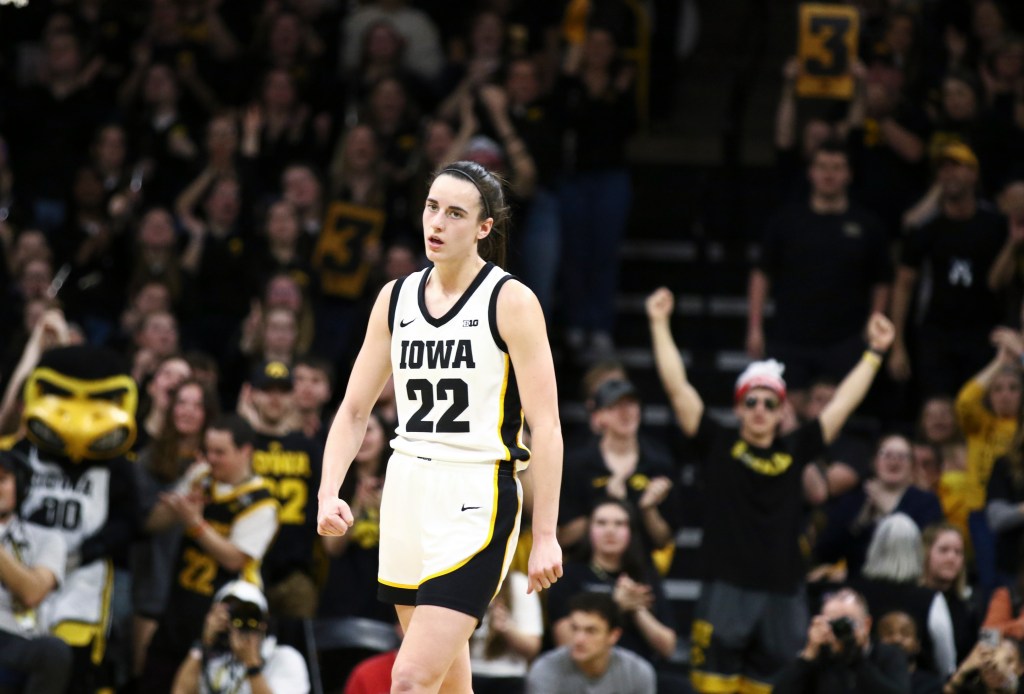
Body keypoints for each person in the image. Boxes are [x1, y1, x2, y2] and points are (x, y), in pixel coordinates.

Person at [317, 160, 563, 694]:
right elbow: (355, 409)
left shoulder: (511, 301)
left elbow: (546, 426)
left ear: (483, 228)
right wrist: (328, 490)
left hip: (476, 493)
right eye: (432, 207)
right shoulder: (395, 298)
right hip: (405, 491)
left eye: (455, 213)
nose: (437, 222)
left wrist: (544, 534)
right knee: (449, 686)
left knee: (408, 679)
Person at [646, 286, 897, 693]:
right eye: (751, 402)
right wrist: (659, 323)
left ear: (783, 411)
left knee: (774, 687)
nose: (760, 410)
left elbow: (842, 405)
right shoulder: (719, 442)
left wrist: (875, 352)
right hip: (725, 583)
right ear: (738, 408)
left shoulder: (797, 447)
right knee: (713, 686)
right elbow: (678, 390)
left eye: (769, 403)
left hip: (783, 590)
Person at [746, 140, 892, 411]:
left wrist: (874, 322)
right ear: (810, 172)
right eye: (822, 166)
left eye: (837, 168)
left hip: (845, 338)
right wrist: (754, 326)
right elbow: (761, 273)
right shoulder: (786, 220)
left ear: (849, 174)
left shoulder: (867, 225)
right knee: (787, 414)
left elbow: (882, 281)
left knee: (838, 410)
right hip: (791, 335)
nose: (829, 174)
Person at [142, 415, 280, 693]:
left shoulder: (263, 502)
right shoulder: (200, 477)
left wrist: (195, 523)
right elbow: (152, 524)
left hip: (222, 615)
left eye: (220, 452)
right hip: (180, 602)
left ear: (245, 452)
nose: (211, 459)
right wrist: (175, 507)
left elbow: (235, 558)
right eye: (208, 451)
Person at [0, 450, 73, 694]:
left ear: (19, 487)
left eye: (1, 480)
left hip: (13, 638)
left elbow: (32, 593)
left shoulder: (47, 539)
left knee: (55, 652)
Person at [171, 580, 310, 694]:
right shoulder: (212, 661)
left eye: (250, 618)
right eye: (234, 616)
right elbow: (180, 691)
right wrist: (203, 643)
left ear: (263, 624)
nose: (241, 625)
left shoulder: (285, 658)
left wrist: (252, 666)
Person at [773, 588, 911, 694]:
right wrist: (809, 653)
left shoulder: (888, 654)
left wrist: (857, 660)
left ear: (867, 625)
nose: (841, 630)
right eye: (834, 624)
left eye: (848, 623)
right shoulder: (818, 655)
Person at [525, 592, 657, 694]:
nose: (578, 639)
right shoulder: (545, 670)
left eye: (591, 631)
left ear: (613, 635)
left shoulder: (636, 672)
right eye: (575, 628)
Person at [877, 611, 945, 694]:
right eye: (889, 633)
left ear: (917, 644)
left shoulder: (932, 686)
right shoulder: (866, 681)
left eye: (905, 633)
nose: (897, 639)